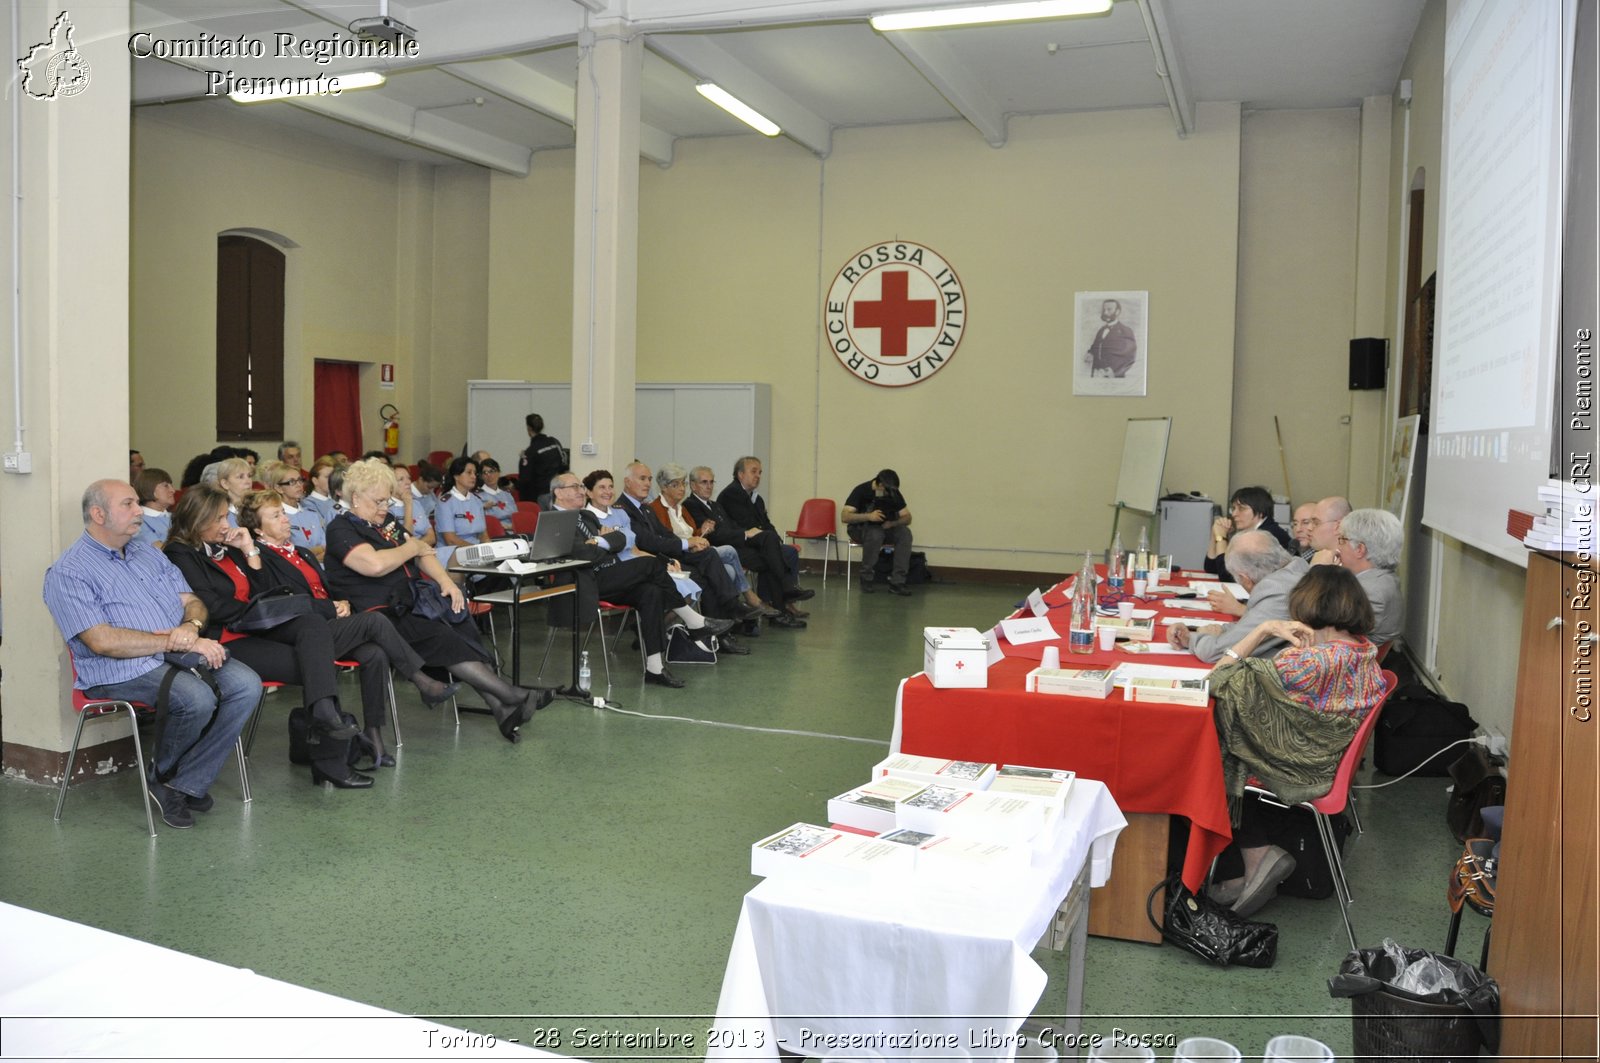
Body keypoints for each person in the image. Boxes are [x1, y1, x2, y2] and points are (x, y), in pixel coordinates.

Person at [43, 480, 260, 830]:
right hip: (116, 669)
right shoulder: (70, 572)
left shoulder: (147, 552)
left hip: (175, 652)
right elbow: (101, 642)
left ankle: (181, 780)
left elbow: (191, 601)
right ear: (98, 514)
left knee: (247, 685)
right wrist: (178, 642)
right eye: (128, 504)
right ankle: (167, 775)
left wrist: (190, 627)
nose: (138, 511)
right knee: (196, 698)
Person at [163, 485, 379, 788]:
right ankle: (329, 751)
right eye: (219, 519)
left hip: (251, 627)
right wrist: (251, 612)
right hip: (225, 638)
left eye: (227, 517)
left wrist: (249, 549)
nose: (227, 525)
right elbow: (210, 604)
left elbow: (263, 590)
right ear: (196, 520)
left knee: (312, 626)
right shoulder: (180, 552)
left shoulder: (228, 547)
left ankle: (325, 728)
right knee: (318, 667)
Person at [322, 458, 550, 742]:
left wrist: (446, 583)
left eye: (387, 501)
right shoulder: (341, 529)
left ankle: (500, 708)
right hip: (380, 612)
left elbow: (424, 553)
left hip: (413, 599)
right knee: (440, 636)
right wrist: (412, 547)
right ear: (355, 497)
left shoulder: (386, 522)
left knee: (461, 625)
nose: (385, 508)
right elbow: (375, 565)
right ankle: (512, 694)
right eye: (378, 502)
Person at [1203, 565, 1387, 916]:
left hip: (1298, 769)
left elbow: (1216, 680)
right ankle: (1245, 869)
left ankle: (1254, 859)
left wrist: (1261, 631)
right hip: (1325, 760)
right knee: (1235, 734)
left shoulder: (1310, 663)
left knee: (1221, 748)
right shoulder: (1364, 652)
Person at [241, 489, 460, 767]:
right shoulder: (260, 557)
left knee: (375, 654)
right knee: (374, 620)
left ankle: (375, 736)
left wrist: (339, 602)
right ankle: (422, 681)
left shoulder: (304, 554)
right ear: (258, 530)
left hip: (330, 624)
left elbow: (326, 588)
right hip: (302, 634)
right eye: (275, 516)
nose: (285, 519)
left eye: (283, 512)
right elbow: (275, 601)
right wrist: (328, 608)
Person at [557, 471, 733, 688]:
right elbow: (587, 555)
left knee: (651, 591)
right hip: (587, 582)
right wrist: (605, 541)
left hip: (609, 573)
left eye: (580, 486)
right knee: (651, 564)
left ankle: (655, 667)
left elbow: (622, 540)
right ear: (559, 493)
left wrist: (601, 541)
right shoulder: (555, 521)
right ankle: (693, 621)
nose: (580, 491)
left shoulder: (586, 517)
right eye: (575, 487)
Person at [615, 461, 761, 622]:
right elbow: (648, 541)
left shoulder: (645, 508)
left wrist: (691, 543)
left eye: (649, 479)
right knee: (711, 562)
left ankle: (718, 623)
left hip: (666, 555)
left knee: (708, 561)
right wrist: (687, 544)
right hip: (649, 562)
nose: (648, 484)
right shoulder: (622, 508)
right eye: (643, 479)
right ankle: (724, 614)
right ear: (627, 482)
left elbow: (666, 534)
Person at [1169, 531, 1308, 664]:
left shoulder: (1277, 591)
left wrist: (1188, 639)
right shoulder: (1297, 568)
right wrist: (1221, 631)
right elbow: (1252, 624)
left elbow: (1218, 653)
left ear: (1245, 579)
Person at [712, 457, 813, 624]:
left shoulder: (756, 498)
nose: (757, 476)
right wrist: (770, 539)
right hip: (739, 545)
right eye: (753, 471)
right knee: (772, 557)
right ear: (740, 474)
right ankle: (782, 599)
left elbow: (766, 524)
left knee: (787, 552)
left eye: (760, 472)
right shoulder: (732, 494)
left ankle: (781, 604)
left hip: (759, 544)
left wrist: (776, 540)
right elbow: (746, 526)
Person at [1334, 508, 1405, 648]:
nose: (1337, 547)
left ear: (1360, 549)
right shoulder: (1383, 579)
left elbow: (1321, 632)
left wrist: (1316, 571)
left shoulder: (1369, 592)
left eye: (1341, 540)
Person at [842, 469, 913, 595]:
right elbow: (845, 517)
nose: (889, 493)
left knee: (905, 534)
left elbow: (907, 517)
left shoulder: (893, 492)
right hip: (860, 528)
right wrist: (868, 516)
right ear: (880, 485)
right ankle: (866, 577)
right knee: (875, 534)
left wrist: (893, 523)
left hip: (886, 527)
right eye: (887, 491)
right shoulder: (861, 490)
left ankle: (897, 582)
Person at [1204, 486, 1293, 582]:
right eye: (1233, 508)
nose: (1234, 514)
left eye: (1241, 508)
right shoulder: (1251, 531)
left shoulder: (1267, 535)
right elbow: (1211, 568)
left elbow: (1227, 576)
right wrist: (1215, 534)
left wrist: (1221, 538)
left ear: (1260, 512)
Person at [260, 459, 324, 558]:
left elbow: (326, 547)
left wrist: (310, 554)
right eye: (292, 482)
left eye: (300, 480)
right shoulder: (277, 518)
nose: (299, 485)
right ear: (279, 488)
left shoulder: (312, 514)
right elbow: (289, 554)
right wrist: (315, 553)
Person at [432, 455, 486, 568]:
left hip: (476, 552)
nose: (473, 476)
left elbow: (483, 534)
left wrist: (489, 551)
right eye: (469, 472)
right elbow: (450, 540)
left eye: (475, 473)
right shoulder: (445, 502)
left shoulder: (477, 501)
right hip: (453, 554)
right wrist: (477, 551)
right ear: (456, 476)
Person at [518, 414, 568, 503]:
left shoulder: (529, 452)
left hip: (543, 495)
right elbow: (564, 464)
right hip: (560, 490)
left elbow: (525, 480)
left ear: (529, 429)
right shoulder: (554, 442)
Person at [1085, 298, 1137, 378]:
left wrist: (1114, 371)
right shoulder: (1101, 330)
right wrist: (1090, 353)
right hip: (1097, 375)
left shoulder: (1126, 331)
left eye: (1109, 309)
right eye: (1104, 310)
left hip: (1114, 377)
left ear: (1118, 311)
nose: (1105, 312)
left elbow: (1130, 357)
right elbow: (1095, 347)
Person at [200, 456, 254, 527]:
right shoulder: (218, 512)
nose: (248, 481)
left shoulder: (257, 506)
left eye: (249, 476)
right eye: (241, 477)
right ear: (225, 484)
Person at [131, 467, 176, 549]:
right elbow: (159, 550)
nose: (173, 490)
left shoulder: (177, 517)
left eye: (171, 485)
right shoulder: (138, 521)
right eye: (166, 486)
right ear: (150, 488)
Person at [1307, 496, 1352, 566]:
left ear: (1338, 527)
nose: (1309, 528)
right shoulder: (1317, 557)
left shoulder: (1350, 567)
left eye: (1316, 523)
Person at [476, 457, 516, 524]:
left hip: (513, 529)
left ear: (498, 473)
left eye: (492, 471)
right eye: (485, 472)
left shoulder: (507, 495)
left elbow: (515, 516)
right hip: (494, 531)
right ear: (481, 476)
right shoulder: (478, 497)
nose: (488, 475)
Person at [303, 457, 338, 525]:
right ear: (315, 481)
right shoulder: (308, 504)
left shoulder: (335, 498)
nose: (332, 480)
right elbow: (321, 527)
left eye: (333, 476)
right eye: (327, 477)